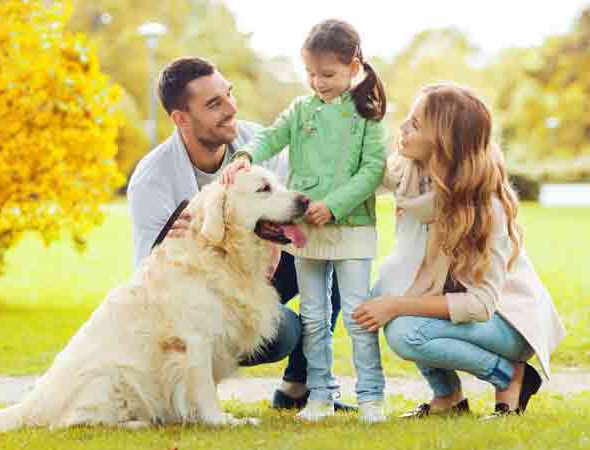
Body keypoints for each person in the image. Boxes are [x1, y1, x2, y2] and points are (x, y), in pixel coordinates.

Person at [126, 56, 353, 412]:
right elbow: (146, 275)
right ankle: (196, 390)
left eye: (228, 94)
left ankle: (298, 388)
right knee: (284, 333)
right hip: (199, 291)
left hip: (258, 262)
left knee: (333, 261)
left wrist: (275, 243)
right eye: (214, 104)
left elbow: (288, 203)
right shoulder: (153, 180)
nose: (231, 108)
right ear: (181, 119)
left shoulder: (254, 140)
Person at [352, 84, 566, 419]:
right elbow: (364, 176)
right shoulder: (413, 172)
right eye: (408, 118)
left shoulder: (484, 205)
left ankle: (510, 375)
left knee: (405, 330)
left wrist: (396, 305)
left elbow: (481, 305)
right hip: (455, 299)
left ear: (444, 144)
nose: (404, 128)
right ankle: (448, 397)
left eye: (416, 125)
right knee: (393, 290)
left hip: (506, 321)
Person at [222, 19, 388, 423]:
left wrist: (333, 205)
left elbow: (372, 171)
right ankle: (319, 395)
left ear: (354, 66)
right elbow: (270, 136)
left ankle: (371, 398)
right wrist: (245, 155)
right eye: (311, 74)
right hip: (308, 233)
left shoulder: (368, 115)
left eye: (327, 74)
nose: (318, 83)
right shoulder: (300, 110)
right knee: (314, 316)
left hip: (351, 229)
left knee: (356, 314)